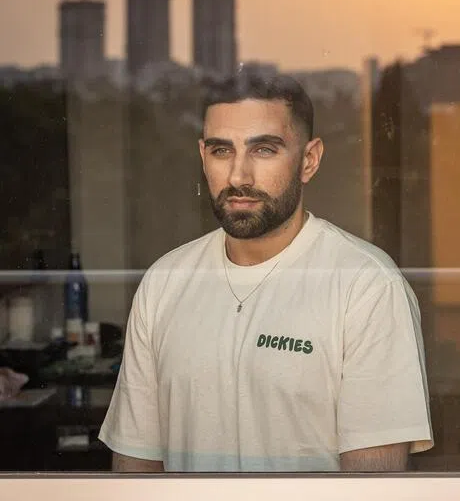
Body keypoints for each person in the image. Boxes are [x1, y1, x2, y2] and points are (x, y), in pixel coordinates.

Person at [98, 74, 433, 472]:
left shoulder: (366, 285)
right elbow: (135, 470)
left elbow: (372, 489)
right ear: (203, 156)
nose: (239, 176)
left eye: (264, 150)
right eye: (222, 151)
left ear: (309, 160)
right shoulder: (164, 282)